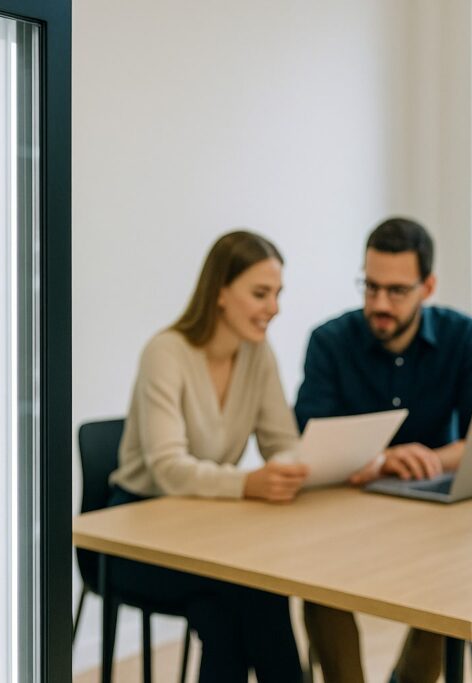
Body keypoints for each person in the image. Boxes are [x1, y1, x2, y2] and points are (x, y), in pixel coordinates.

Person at [294, 217, 472, 683]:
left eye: (397, 291)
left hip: (431, 516)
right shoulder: (329, 341)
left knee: (458, 573)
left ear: (428, 286)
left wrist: (428, 459)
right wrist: (382, 461)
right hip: (343, 516)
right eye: (371, 287)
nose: (379, 304)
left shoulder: (462, 337)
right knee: (317, 581)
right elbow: (312, 443)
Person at [107, 230, 309, 682]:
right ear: (220, 292)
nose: (273, 307)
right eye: (260, 293)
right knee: (254, 589)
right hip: (134, 530)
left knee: (226, 608)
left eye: (277, 294)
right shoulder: (167, 353)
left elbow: (283, 441)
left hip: (206, 529)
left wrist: (293, 466)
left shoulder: (258, 354)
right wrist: (247, 484)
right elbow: (167, 468)